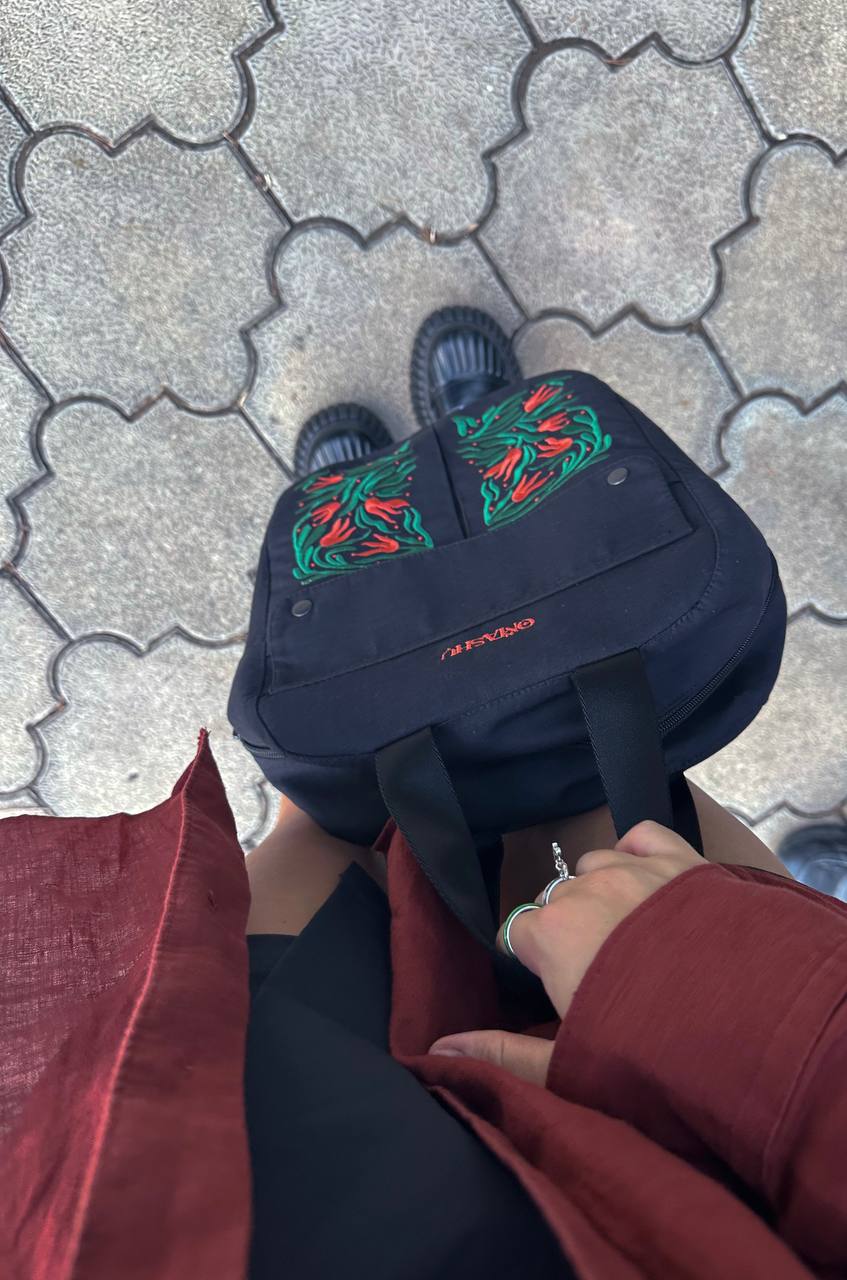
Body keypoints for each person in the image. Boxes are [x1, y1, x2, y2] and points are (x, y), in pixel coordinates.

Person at [3, 311, 846, 1280]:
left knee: (328, 830)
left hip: (253, 1192)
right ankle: (490, 517)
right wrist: (739, 1009)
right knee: (619, 797)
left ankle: (413, 531)